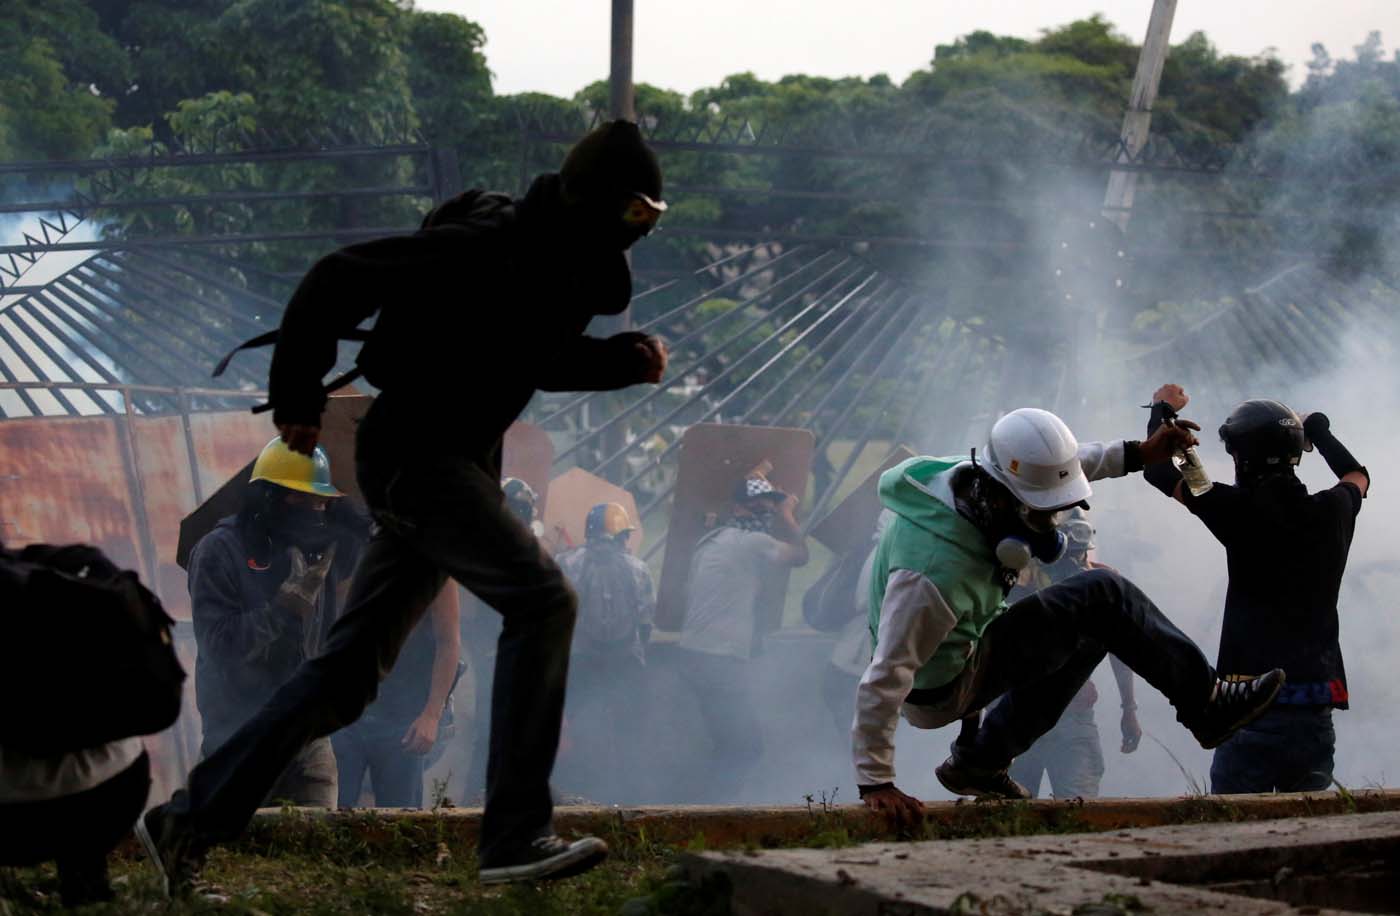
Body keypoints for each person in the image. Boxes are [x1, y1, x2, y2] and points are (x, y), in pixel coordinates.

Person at [137, 119, 670, 891]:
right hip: (418, 456)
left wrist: (617, 363)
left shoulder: (556, 268)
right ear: (590, 201)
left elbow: (530, 357)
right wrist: (296, 393)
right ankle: (515, 834)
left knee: (345, 678)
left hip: (453, 469)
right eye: (632, 214)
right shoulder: (489, 243)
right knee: (544, 600)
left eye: (651, 219)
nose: (638, 233)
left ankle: (187, 821)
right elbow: (333, 277)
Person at [853, 407, 1286, 823]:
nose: (1052, 522)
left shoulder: (972, 480)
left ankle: (980, 761)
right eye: (1042, 512)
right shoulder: (930, 575)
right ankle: (1207, 703)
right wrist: (876, 782)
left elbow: (1066, 466)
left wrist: (1141, 452)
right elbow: (886, 673)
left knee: (1095, 629)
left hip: (968, 644)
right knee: (1104, 593)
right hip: (940, 687)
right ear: (1003, 499)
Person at [1142, 384, 1369, 794]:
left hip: (1251, 710)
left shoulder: (1234, 509)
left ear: (1241, 456)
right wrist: (1319, 430)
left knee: (1232, 837)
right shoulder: (1333, 510)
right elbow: (1358, 476)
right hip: (1314, 713)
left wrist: (1163, 416)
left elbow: (1160, 470)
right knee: (1308, 840)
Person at [188, 437, 366, 808]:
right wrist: (281, 611)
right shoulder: (219, 552)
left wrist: (353, 520)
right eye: (300, 499)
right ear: (268, 497)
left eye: (321, 502)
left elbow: (372, 549)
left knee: (319, 845)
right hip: (239, 734)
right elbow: (219, 647)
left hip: (307, 732)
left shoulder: (321, 547)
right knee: (242, 852)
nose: (313, 511)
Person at [675, 472, 809, 802]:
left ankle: (712, 809)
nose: (764, 512)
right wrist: (788, 515)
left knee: (730, 744)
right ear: (737, 509)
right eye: (757, 507)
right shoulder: (753, 543)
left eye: (768, 506)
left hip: (697, 655)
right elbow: (801, 556)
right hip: (717, 660)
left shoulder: (712, 540)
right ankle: (713, 813)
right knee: (746, 746)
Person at [1002, 509, 1141, 799]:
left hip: (1074, 715)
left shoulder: (1101, 582)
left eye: (1079, 554)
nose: (1072, 564)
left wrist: (1129, 708)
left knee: (1078, 805)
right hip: (1011, 717)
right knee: (1007, 810)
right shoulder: (1013, 580)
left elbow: (1121, 649)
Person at [554, 503, 656, 802]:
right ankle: (630, 797)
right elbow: (645, 622)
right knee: (629, 734)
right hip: (625, 663)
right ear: (621, 535)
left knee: (567, 731)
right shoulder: (638, 568)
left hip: (578, 662)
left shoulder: (566, 562)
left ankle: (566, 792)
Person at [332, 587, 461, 808]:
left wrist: (431, 715)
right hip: (349, 711)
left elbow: (449, 644)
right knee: (332, 810)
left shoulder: (433, 567)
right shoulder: (350, 557)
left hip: (405, 718)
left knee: (399, 818)